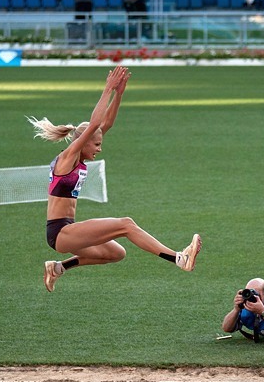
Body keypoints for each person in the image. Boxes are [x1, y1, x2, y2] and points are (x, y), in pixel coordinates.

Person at [31, 66, 201, 292]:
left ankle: (58, 268)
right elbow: (94, 124)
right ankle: (179, 258)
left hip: (67, 230)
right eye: (97, 144)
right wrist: (107, 89)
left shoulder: (78, 158)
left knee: (116, 253)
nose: (100, 149)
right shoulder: (67, 157)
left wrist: (119, 94)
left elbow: (104, 124)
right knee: (126, 224)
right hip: (60, 232)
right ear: (85, 141)